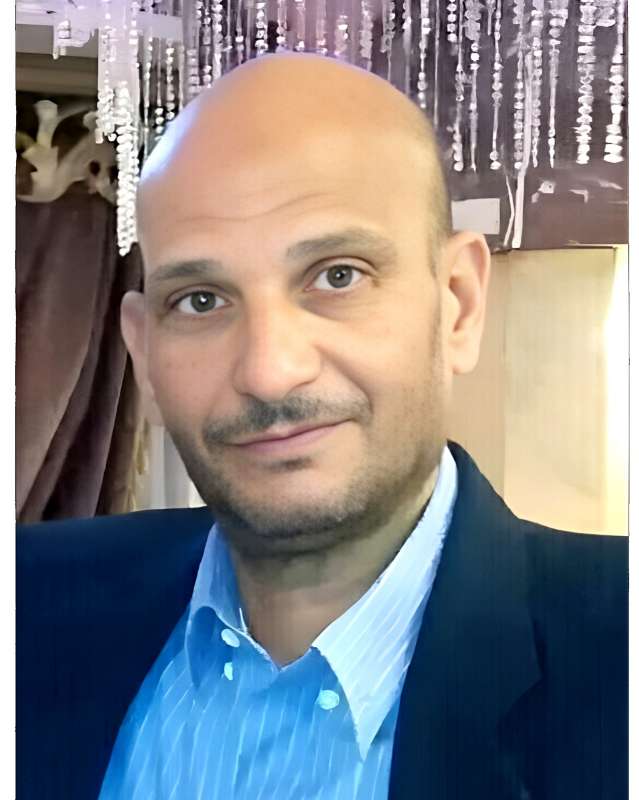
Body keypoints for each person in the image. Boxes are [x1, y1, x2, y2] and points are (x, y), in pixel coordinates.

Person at [17, 53, 628, 800]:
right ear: (143, 352)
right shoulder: (26, 606)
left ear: (458, 305)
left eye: (338, 275)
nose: (270, 371)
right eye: (201, 300)